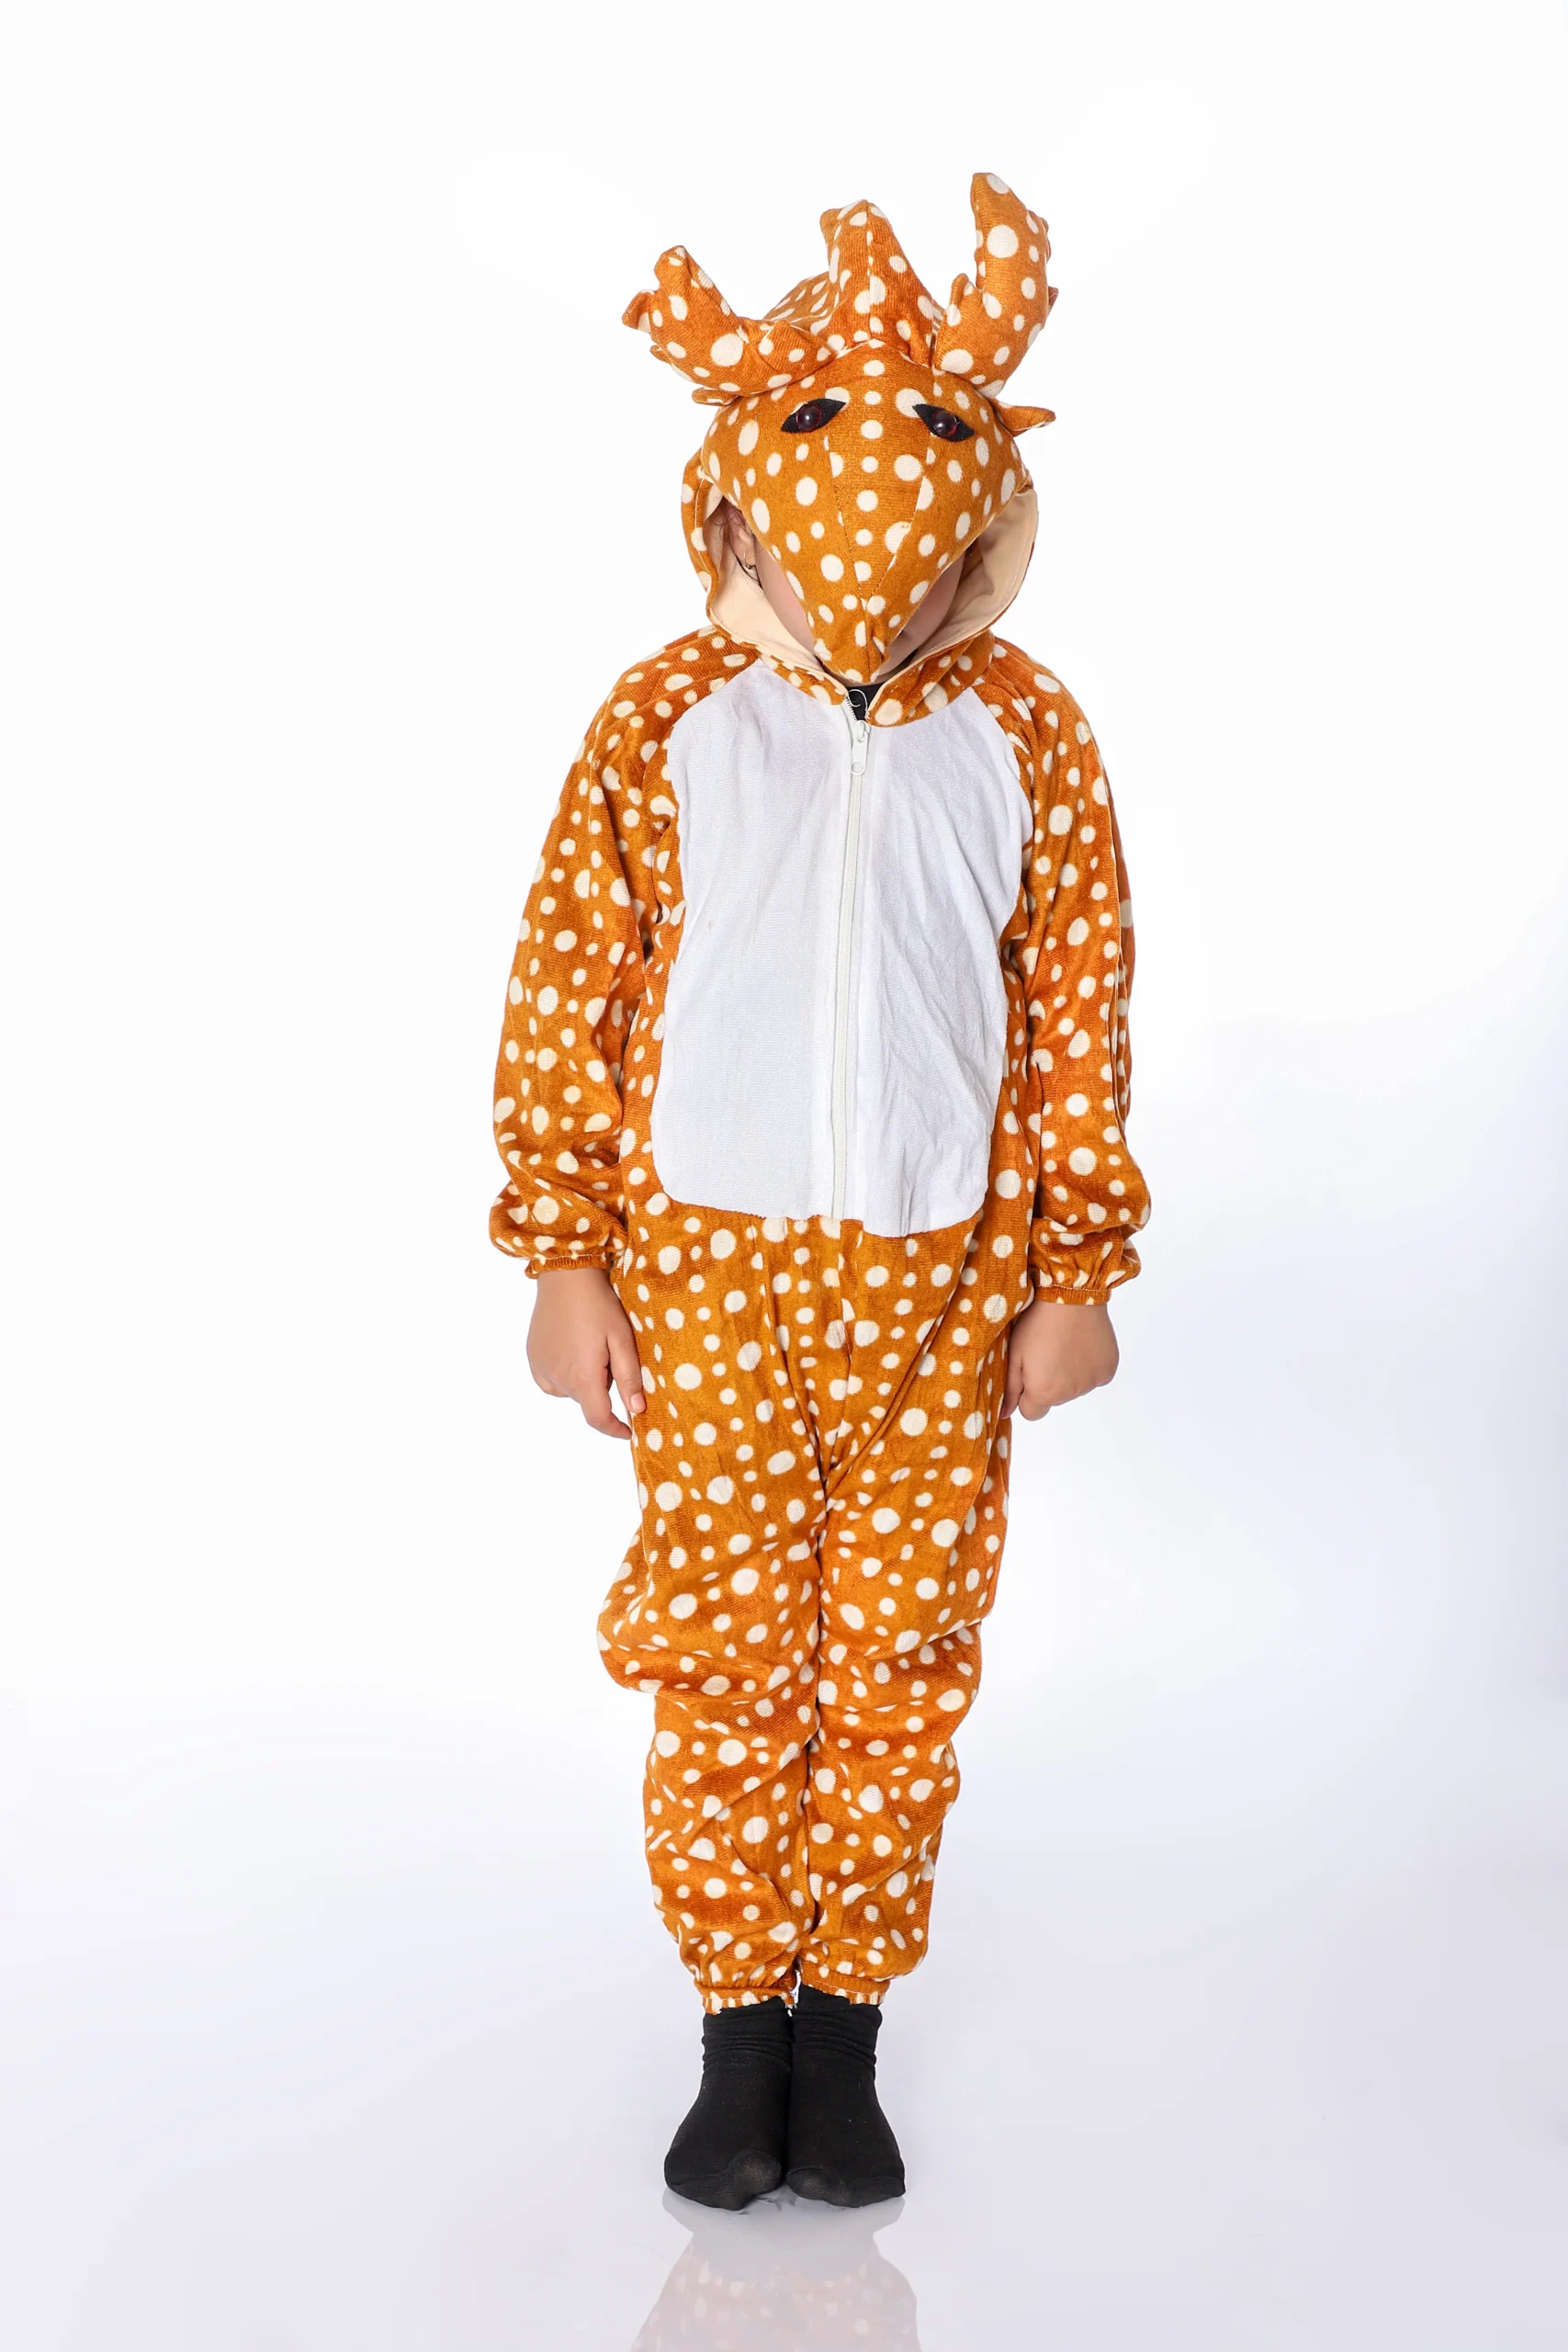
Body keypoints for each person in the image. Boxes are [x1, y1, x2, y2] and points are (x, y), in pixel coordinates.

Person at [489, 174, 1150, 2211]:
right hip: (702, 1269)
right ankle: (733, 2034)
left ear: (978, 525)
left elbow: (1077, 1003)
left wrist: (1076, 1268)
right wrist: (563, 1255)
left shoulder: (1026, 730)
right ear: (735, 514)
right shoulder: (664, 719)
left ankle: (839, 2031)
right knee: (723, 1651)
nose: (871, 587)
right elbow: (572, 984)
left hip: (946, 1275)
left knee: (898, 1654)